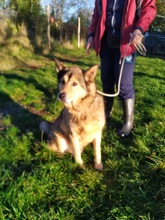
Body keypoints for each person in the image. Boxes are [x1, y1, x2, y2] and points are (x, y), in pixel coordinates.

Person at [86, 0, 156, 137]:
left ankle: (128, 122)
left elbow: (149, 9)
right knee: (106, 80)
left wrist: (139, 29)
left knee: (123, 85)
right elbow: (96, 15)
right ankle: (106, 113)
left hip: (126, 43)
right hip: (106, 43)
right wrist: (91, 35)